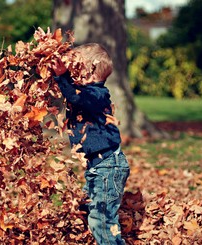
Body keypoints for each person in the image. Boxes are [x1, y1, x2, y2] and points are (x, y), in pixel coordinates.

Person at [54, 43, 130, 244]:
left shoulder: (97, 94)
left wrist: (62, 76)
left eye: (76, 69)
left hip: (108, 167)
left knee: (102, 221)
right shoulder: (85, 93)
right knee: (86, 207)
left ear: (89, 72)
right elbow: (71, 94)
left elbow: (76, 98)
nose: (72, 73)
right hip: (98, 167)